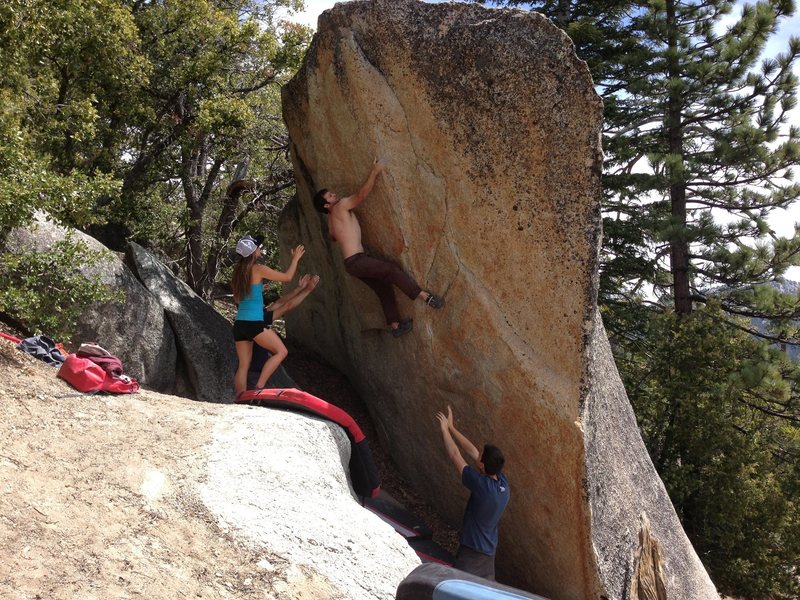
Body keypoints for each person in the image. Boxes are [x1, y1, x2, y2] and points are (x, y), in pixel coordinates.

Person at [313, 158, 444, 338]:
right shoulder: (341, 206)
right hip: (358, 261)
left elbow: (332, 237)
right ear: (327, 205)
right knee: (391, 270)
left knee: (383, 288)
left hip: (352, 265)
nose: (334, 195)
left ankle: (396, 326)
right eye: (330, 196)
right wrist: (375, 171)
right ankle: (424, 297)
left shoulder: (330, 221)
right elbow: (361, 196)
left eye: (332, 193)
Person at [436, 405, 509, 581]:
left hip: (472, 552)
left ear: (482, 465)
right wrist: (453, 428)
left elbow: (455, 455)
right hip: (488, 553)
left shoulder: (481, 486)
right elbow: (473, 451)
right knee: (484, 591)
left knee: (459, 588)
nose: (478, 454)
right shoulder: (502, 483)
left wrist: (444, 430)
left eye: (481, 456)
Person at [231, 235, 307, 395]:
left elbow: (239, 298)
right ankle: (258, 388)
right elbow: (287, 277)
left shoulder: (238, 272)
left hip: (239, 324)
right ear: (253, 252)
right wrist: (295, 259)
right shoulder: (258, 269)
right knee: (281, 351)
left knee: (243, 365)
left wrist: (258, 288)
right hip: (253, 322)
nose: (260, 249)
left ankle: (240, 397)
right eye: (258, 247)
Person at [246, 274, 320, 390]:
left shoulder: (254, 314)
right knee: (282, 352)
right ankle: (258, 387)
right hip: (253, 374)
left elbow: (280, 303)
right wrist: (308, 290)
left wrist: (299, 288)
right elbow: (287, 306)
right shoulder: (257, 317)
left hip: (252, 371)